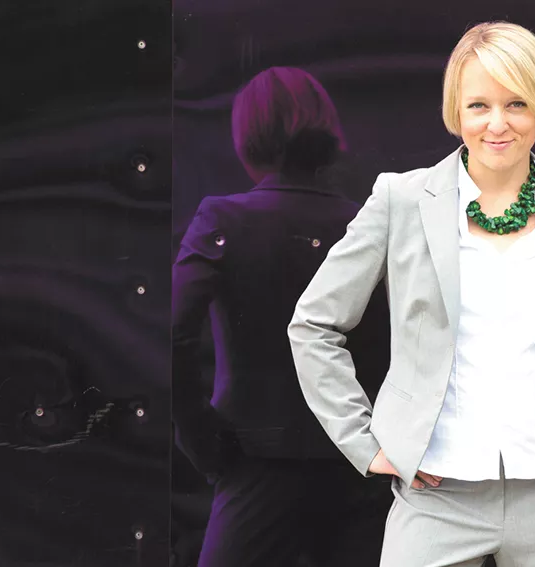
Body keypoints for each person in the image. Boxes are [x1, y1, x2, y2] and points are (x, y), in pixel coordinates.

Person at [288, 21, 535, 567]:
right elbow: (313, 325)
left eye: (516, 103)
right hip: (434, 494)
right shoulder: (400, 201)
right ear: (457, 110)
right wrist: (364, 443)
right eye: (478, 105)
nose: (497, 124)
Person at [172, 66, 390, 567]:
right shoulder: (366, 225)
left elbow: (175, 334)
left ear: (246, 137)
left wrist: (202, 442)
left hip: (255, 465)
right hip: (360, 465)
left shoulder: (222, 220)